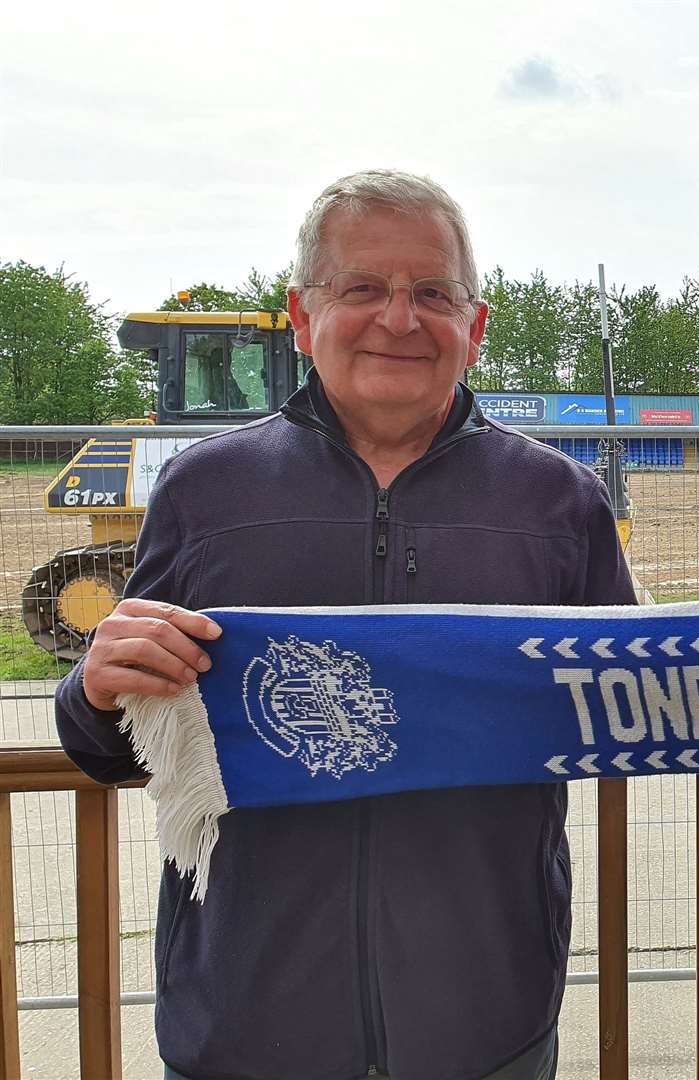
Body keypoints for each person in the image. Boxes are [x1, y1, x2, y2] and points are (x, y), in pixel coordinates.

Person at [55, 169, 636, 1080]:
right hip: (248, 1020)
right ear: (301, 314)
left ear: (474, 328)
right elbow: (124, 746)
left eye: (433, 293)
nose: (398, 320)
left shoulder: (560, 503)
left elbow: (629, 715)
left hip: (484, 1019)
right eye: (362, 287)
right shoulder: (206, 492)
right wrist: (94, 690)